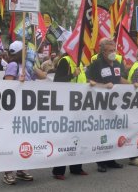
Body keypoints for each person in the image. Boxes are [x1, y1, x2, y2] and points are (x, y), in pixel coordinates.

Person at [85, 38, 128, 173]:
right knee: (102, 133)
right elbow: (88, 80)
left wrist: (133, 85)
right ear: (103, 52)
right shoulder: (96, 64)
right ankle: (101, 161)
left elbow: (120, 79)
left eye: (114, 50)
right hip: (100, 105)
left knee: (114, 131)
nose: (113, 53)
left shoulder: (117, 64)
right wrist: (103, 86)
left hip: (115, 105)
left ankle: (111, 159)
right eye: (110, 50)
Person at [0, 41, 35, 184]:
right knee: (11, 141)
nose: (27, 52)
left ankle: (21, 169)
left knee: (23, 140)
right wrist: (18, 82)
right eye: (25, 50)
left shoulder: (26, 66)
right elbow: (7, 87)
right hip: (14, 111)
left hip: (26, 110)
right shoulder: (13, 65)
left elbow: (42, 76)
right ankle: (8, 172)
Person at [51, 52, 88, 180]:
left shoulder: (81, 62)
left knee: (79, 137)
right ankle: (58, 171)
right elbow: (57, 81)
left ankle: (76, 168)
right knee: (65, 139)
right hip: (66, 105)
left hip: (80, 105)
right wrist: (72, 75)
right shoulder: (65, 61)